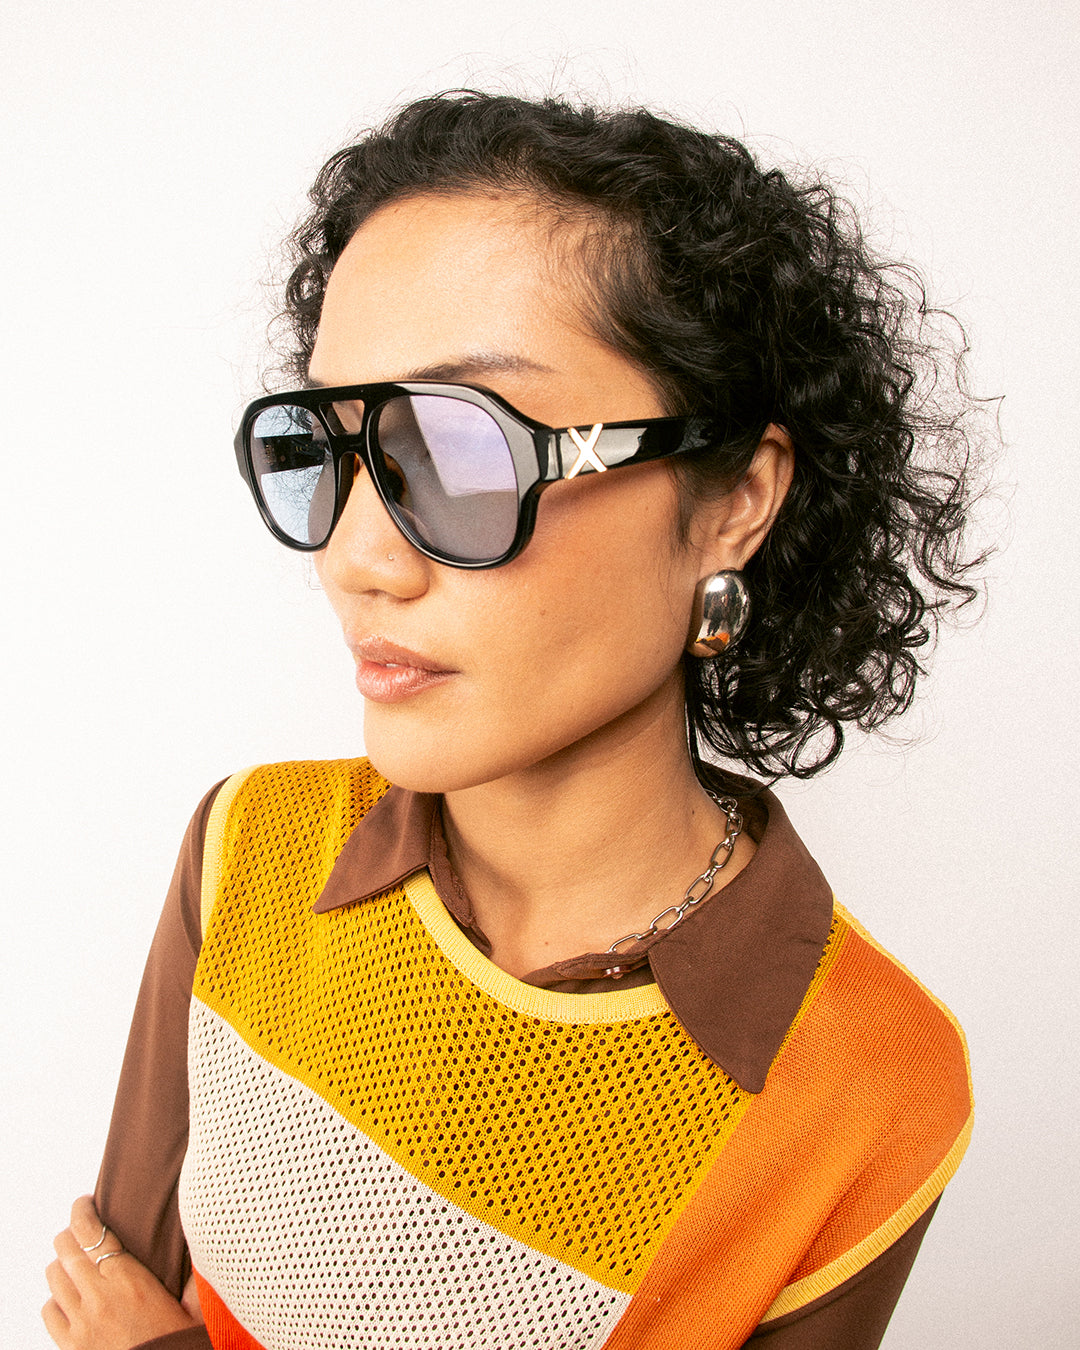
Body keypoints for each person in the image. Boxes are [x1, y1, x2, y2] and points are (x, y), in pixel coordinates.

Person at [43, 91, 985, 1350]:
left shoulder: (870, 1081)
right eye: (335, 446)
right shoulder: (250, 847)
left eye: (465, 446)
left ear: (734, 503)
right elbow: (105, 1277)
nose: (357, 558)